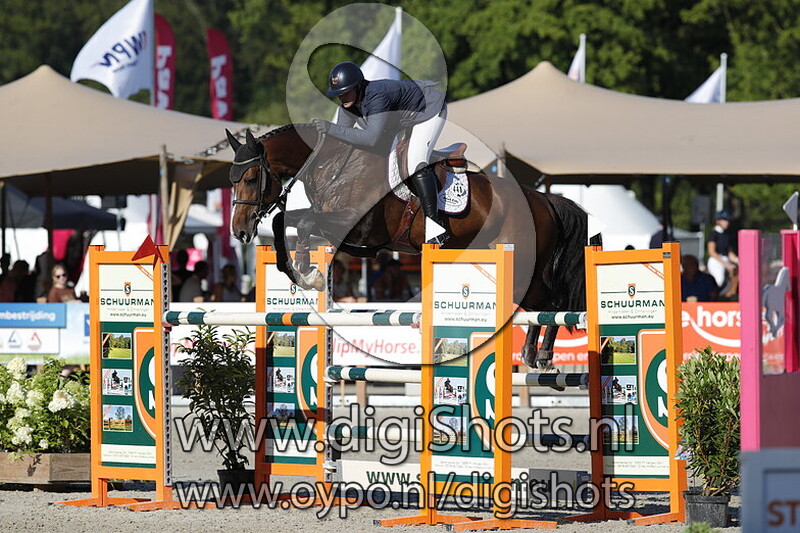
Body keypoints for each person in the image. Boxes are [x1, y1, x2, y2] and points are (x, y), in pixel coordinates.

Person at [311, 61, 450, 244]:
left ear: (358, 86)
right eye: (338, 94)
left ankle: (435, 227)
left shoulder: (377, 96)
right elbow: (343, 141)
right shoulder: (347, 105)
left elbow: (371, 139)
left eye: (346, 92)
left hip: (429, 110)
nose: (342, 97)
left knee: (416, 163)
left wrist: (329, 128)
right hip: (401, 120)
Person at [706, 210, 738, 289]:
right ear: (718, 221)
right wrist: (725, 264)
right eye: (724, 220)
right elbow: (711, 252)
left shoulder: (727, 234)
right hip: (716, 261)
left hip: (726, 260)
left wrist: (738, 260)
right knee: (719, 281)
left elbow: (729, 252)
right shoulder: (714, 233)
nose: (727, 222)